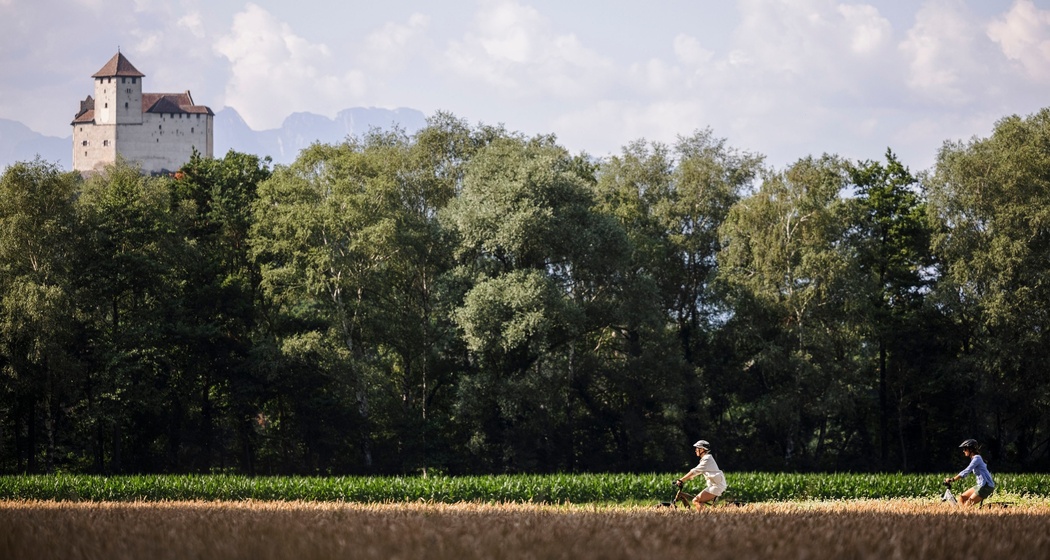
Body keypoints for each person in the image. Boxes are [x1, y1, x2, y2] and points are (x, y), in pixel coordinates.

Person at [674, 439, 727, 511]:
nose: (695, 450)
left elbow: (695, 471)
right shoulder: (706, 459)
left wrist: (681, 480)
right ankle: (707, 514)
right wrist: (689, 477)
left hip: (717, 486)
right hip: (715, 485)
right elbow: (697, 471)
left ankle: (707, 515)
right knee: (698, 501)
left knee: (696, 500)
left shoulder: (707, 459)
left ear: (702, 449)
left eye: (697, 448)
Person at [944, 438, 995, 506]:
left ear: (971, 449)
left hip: (986, 486)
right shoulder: (974, 458)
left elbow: (966, 471)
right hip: (980, 485)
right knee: (961, 498)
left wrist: (952, 479)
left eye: (965, 449)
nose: (963, 451)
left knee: (967, 504)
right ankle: (961, 511)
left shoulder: (977, 458)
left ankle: (965, 511)